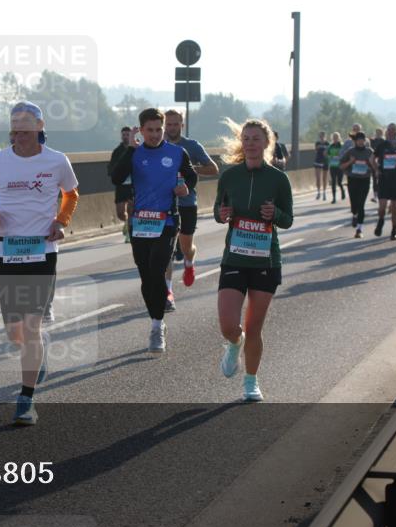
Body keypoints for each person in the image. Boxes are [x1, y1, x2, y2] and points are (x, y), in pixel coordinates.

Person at [0, 101, 78, 425]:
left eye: (24, 128)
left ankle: (26, 399)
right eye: (14, 128)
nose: (18, 134)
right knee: (14, 330)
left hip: (42, 251)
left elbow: (71, 193)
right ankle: (37, 354)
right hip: (8, 250)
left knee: (32, 325)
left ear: (39, 126)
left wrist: (61, 221)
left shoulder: (57, 161)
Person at [213, 119, 293, 402]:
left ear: (266, 142)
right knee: (228, 325)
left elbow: (288, 219)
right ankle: (235, 343)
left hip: (265, 262)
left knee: (255, 326)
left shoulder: (278, 179)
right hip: (234, 258)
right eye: (246, 138)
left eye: (256, 138)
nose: (250, 143)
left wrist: (276, 215)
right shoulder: (229, 176)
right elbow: (217, 210)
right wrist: (223, 214)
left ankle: (251, 381)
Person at [111, 109, 196, 352]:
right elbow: (117, 177)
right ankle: (156, 319)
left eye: (159, 129)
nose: (155, 134)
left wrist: (184, 188)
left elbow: (191, 177)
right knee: (146, 276)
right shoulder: (135, 154)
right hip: (140, 223)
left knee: (158, 270)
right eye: (150, 130)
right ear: (141, 130)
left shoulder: (177, 153)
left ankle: (157, 326)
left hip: (167, 221)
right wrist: (130, 147)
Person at [163, 109, 217, 291]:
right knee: (166, 251)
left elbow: (213, 169)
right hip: (162, 204)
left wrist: (190, 169)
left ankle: (189, 261)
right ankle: (167, 291)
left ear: (182, 125)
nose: (171, 128)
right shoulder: (157, 145)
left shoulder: (192, 146)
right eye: (168, 124)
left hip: (186, 203)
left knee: (186, 247)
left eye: (175, 124)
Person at [373, 123, 396, 239]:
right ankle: (381, 220)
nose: (391, 132)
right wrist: (376, 169)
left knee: (394, 208)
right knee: (382, 207)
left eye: (393, 130)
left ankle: (394, 231)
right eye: (389, 130)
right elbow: (372, 158)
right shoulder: (382, 146)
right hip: (384, 179)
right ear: (387, 132)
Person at [339, 132, 377, 237]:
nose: (361, 142)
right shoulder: (350, 152)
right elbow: (341, 166)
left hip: (364, 180)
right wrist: (350, 162)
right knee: (354, 205)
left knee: (361, 205)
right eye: (359, 140)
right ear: (355, 141)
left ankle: (359, 229)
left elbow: (376, 169)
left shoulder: (370, 152)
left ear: (365, 141)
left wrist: (371, 163)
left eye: (363, 140)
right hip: (353, 180)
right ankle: (354, 214)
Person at [108, 126, 135, 244]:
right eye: (123, 135)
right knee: (120, 213)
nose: (125, 137)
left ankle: (129, 234)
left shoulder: (136, 149)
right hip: (121, 185)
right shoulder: (117, 151)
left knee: (130, 209)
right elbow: (111, 166)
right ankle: (126, 222)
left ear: (131, 136)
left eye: (127, 135)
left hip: (133, 185)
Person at [326, 132, 345, 203]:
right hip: (333, 166)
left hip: (340, 166)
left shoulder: (342, 146)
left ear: (339, 138)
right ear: (332, 138)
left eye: (336, 138)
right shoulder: (330, 146)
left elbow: (344, 155)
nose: (335, 139)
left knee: (339, 182)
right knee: (333, 182)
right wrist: (329, 156)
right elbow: (326, 154)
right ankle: (334, 198)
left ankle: (342, 190)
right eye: (334, 138)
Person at [313, 131, 329, 200]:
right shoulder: (317, 143)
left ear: (325, 136)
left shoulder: (327, 143)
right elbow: (316, 151)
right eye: (321, 136)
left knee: (324, 178)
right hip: (318, 161)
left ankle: (324, 192)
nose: (322, 137)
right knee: (318, 178)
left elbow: (329, 152)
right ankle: (318, 192)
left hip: (325, 161)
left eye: (323, 136)